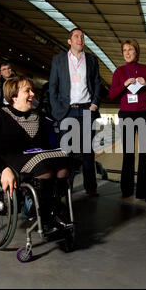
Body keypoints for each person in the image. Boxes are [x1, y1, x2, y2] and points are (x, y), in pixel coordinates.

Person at [0, 76, 70, 228]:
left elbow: (46, 147)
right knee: (45, 165)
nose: (32, 94)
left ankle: (55, 208)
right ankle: (40, 214)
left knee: (64, 158)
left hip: (38, 158)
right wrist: (4, 169)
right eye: (27, 91)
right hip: (13, 160)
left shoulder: (38, 117)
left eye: (32, 90)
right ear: (14, 95)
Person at [49, 27, 103, 196]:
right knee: (67, 152)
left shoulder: (92, 60)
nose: (80, 39)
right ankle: (66, 189)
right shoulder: (59, 60)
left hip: (87, 109)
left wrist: (94, 104)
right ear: (69, 41)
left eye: (82, 37)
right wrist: (58, 111)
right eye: (77, 36)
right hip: (67, 111)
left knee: (87, 151)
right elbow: (53, 87)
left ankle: (91, 187)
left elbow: (97, 84)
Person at [108, 39, 146, 203]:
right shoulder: (119, 71)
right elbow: (111, 95)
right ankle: (127, 189)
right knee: (128, 153)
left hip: (144, 113)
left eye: (130, 50)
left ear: (136, 51)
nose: (127, 53)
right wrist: (123, 85)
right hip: (126, 115)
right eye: (124, 50)